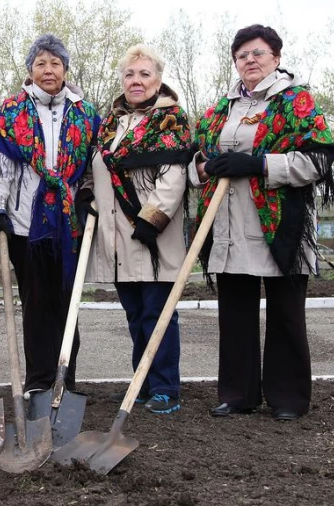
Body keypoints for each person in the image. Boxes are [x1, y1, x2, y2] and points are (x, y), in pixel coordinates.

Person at [190, 25, 334, 421]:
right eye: (241, 56)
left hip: (279, 226)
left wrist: (257, 164)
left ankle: (288, 398)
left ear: (276, 57)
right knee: (234, 315)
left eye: (257, 53)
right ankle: (238, 394)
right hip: (228, 226)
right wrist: (206, 166)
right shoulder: (222, 109)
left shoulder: (295, 102)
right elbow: (195, 161)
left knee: (286, 314)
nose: (249, 61)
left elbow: (318, 161)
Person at [0, 34, 100, 398]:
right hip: (24, 223)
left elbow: (92, 166)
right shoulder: (13, 110)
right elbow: (3, 168)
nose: (48, 70)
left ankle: (67, 376)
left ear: (65, 69)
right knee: (35, 302)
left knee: (67, 301)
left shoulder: (85, 113)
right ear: (30, 69)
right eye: (40, 64)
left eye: (55, 63)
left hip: (69, 224)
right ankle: (38, 381)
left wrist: (86, 196)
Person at [84, 44, 192, 414]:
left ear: (158, 80)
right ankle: (142, 383)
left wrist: (151, 220)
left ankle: (165, 387)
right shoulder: (111, 124)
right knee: (135, 315)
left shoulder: (172, 119)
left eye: (144, 74)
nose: (136, 81)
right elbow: (97, 170)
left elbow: (175, 175)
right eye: (130, 74)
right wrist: (87, 196)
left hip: (153, 237)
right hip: (117, 239)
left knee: (158, 314)